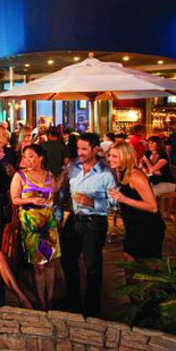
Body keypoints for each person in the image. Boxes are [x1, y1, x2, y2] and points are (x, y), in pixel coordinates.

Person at [58, 133, 117, 317]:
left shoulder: (106, 173)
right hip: (74, 219)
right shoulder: (73, 167)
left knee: (92, 266)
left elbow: (115, 204)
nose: (80, 153)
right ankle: (72, 299)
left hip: (94, 222)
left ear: (95, 150)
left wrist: (93, 203)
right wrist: (59, 216)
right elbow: (62, 192)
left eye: (84, 149)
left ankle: (92, 307)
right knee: (67, 260)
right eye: (78, 148)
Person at [10, 144, 61, 311]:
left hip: (48, 223)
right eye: (25, 157)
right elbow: (15, 199)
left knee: (51, 263)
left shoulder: (48, 175)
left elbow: (55, 191)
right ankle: (42, 303)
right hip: (31, 224)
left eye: (31, 156)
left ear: (41, 158)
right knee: (38, 264)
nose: (27, 160)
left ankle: (51, 298)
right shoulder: (20, 176)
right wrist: (30, 200)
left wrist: (65, 175)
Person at [107, 141, 165, 261]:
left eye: (114, 156)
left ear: (126, 156)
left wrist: (123, 199)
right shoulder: (122, 172)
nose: (110, 159)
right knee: (130, 262)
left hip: (147, 226)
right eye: (109, 155)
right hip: (133, 225)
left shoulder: (135, 176)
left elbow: (153, 207)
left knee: (147, 267)